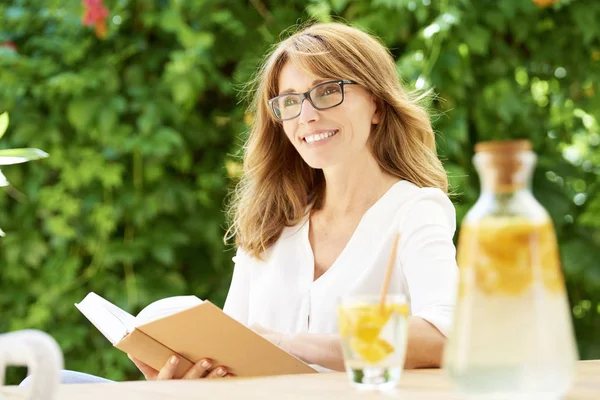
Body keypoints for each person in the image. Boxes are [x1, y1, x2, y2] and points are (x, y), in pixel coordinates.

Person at [22, 21, 458, 385]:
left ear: (378, 105)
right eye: (290, 102)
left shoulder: (415, 210)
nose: (307, 115)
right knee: (42, 382)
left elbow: (445, 337)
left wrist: (292, 345)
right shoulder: (275, 219)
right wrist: (193, 376)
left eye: (327, 92)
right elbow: (235, 347)